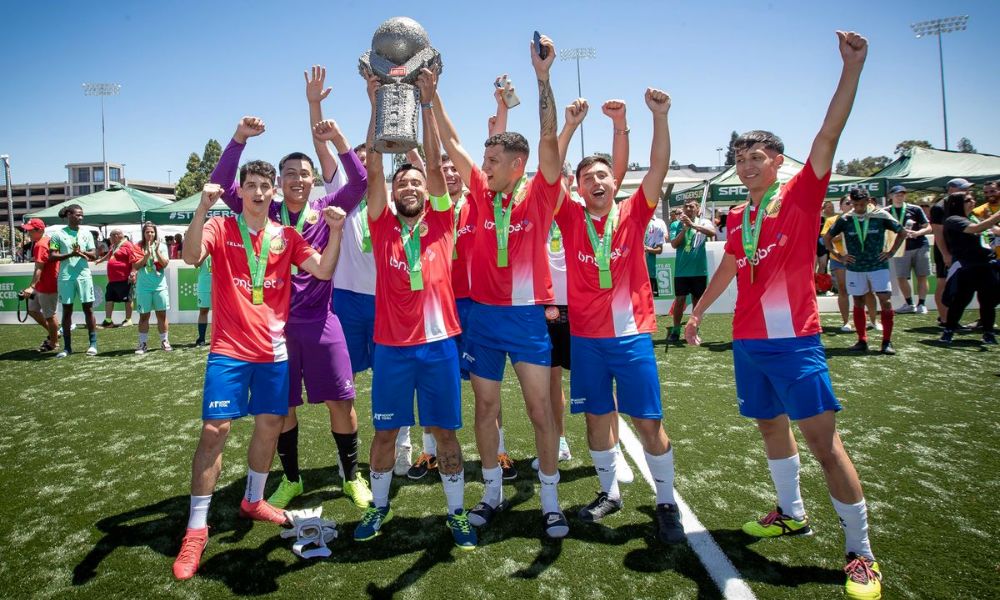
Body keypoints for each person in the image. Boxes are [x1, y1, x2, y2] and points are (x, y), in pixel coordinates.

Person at [685, 32, 883, 600]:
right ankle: (792, 513)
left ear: (777, 160)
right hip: (748, 341)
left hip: (795, 341)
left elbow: (829, 133)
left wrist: (851, 69)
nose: (747, 166)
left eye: (757, 157)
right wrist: (698, 314)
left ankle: (860, 552)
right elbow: (729, 267)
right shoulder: (738, 215)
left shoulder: (799, 194)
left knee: (826, 446)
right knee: (770, 428)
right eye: (740, 159)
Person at [171, 169, 346, 581]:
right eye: (250, 185)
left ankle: (253, 500)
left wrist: (335, 231)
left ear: (275, 193)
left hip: (273, 351)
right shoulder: (219, 225)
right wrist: (201, 206)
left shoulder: (286, 235)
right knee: (215, 431)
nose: (259, 192)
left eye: (265, 186)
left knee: (270, 425)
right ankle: (196, 529)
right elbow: (191, 256)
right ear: (242, 192)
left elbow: (321, 270)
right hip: (229, 350)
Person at [210, 68, 370, 512]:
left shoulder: (327, 208)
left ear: (314, 180)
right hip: (275, 332)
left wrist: (339, 140)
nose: (298, 179)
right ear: (278, 182)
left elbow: (360, 183)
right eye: (289, 173)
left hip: (321, 322)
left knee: (342, 400)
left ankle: (351, 476)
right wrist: (238, 140)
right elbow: (223, 186)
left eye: (304, 173)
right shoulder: (265, 209)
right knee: (282, 410)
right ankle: (293, 480)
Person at [431, 34, 569, 538]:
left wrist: (542, 78)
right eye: (483, 160)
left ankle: (550, 501)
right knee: (485, 409)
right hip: (484, 319)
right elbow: (451, 142)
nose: (481, 167)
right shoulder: (478, 193)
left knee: (539, 410)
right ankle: (490, 492)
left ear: (517, 165)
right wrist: (433, 94)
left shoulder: (539, 196)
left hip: (528, 318)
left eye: (492, 161)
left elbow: (550, 141)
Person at [350, 69, 476, 550]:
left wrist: (426, 104)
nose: (407, 186)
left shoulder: (443, 220)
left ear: (427, 190)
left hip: (440, 346)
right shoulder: (381, 224)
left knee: (444, 434)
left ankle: (457, 513)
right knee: (384, 436)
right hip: (393, 349)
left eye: (415, 181)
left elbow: (438, 156)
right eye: (402, 181)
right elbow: (374, 171)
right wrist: (376, 106)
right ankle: (379, 509)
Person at [555, 87, 685, 543]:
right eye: (587, 176)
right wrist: (568, 128)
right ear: (579, 186)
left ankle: (666, 501)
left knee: (649, 422)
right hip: (587, 339)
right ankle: (609, 491)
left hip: (630, 337)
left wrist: (660, 117)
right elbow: (551, 172)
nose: (596, 181)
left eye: (603, 174)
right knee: (595, 418)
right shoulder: (570, 218)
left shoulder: (634, 213)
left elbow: (659, 167)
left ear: (615, 182)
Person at [825, 187, 905, 354]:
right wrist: (839, 256)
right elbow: (826, 238)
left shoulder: (880, 215)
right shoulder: (846, 219)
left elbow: (902, 232)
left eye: (861, 204)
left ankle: (886, 342)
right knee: (858, 302)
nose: (858, 208)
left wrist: (890, 252)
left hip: (878, 266)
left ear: (869, 202)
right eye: (855, 204)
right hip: (855, 267)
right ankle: (862, 340)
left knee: (885, 300)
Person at [939, 192, 1000, 344]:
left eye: (972, 199)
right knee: (960, 300)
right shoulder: (953, 220)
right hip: (967, 266)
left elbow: (985, 232)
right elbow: (975, 229)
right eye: (967, 200)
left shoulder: (972, 217)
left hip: (985, 264)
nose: (972, 201)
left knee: (987, 301)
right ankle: (949, 330)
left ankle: (988, 332)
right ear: (957, 204)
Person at [48, 204, 98, 358]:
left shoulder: (87, 233)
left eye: (82, 215)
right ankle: (67, 348)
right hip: (66, 278)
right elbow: (52, 256)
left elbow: (94, 255)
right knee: (67, 311)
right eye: (78, 215)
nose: (80, 218)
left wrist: (82, 253)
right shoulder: (57, 235)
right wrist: (70, 254)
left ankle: (93, 344)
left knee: (88, 309)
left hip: (84, 276)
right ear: (69, 214)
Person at [667, 198, 716, 343]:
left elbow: (712, 233)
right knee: (680, 301)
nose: (688, 209)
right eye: (686, 206)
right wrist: (684, 229)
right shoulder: (676, 224)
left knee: (697, 302)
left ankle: (694, 329)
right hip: (682, 271)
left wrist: (693, 225)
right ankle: (676, 330)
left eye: (691, 207)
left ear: (697, 209)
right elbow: (674, 244)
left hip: (699, 271)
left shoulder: (703, 222)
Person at [930, 178, 975, 327]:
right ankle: (945, 319)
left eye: (967, 189)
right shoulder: (939, 207)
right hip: (946, 251)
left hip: (961, 250)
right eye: (963, 189)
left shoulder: (963, 204)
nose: (967, 192)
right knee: (943, 282)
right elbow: (938, 233)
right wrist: (945, 254)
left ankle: (952, 318)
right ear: (950, 190)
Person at [886, 185, 932, 314]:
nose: (900, 196)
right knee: (901, 277)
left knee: (921, 276)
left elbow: (928, 227)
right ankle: (909, 303)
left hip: (919, 245)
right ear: (891, 196)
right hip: (899, 248)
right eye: (897, 194)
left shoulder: (915, 209)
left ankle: (922, 304)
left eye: (902, 194)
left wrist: (917, 233)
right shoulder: (886, 211)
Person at [18, 218, 59, 352]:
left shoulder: (40, 244)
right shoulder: (44, 241)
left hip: (48, 285)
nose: (28, 233)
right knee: (32, 310)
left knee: (50, 315)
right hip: (43, 284)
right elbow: (38, 268)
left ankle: (54, 343)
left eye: (30, 230)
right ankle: (55, 334)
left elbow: (39, 268)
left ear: (40, 230)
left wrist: (31, 287)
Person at [133, 222, 172, 353]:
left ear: (155, 233)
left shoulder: (162, 246)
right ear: (143, 234)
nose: (150, 234)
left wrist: (156, 251)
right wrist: (146, 256)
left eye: (152, 232)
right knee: (144, 316)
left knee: (162, 315)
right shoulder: (138, 246)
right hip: (143, 287)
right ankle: (143, 343)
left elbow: (165, 264)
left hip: (159, 286)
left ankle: (164, 341)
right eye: (147, 232)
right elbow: (136, 266)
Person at [95, 229, 138, 328]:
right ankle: (108, 321)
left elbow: (134, 260)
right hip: (113, 279)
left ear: (117, 236)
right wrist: (100, 260)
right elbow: (109, 255)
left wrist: (133, 273)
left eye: (111, 236)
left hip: (124, 278)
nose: (109, 238)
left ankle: (128, 320)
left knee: (128, 299)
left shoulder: (128, 245)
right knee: (109, 299)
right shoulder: (114, 246)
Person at [971, 180, 1000, 259]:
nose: (989, 194)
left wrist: (989, 221)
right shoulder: (977, 211)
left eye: (992, 191)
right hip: (990, 256)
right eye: (986, 192)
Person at [194, 255, 212, 346]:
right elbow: (196, 264)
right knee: (203, 311)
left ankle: (221, 338)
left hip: (220, 282)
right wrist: (205, 252)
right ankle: (201, 338)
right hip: (204, 284)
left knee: (221, 312)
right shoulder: (200, 247)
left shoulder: (220, 243)